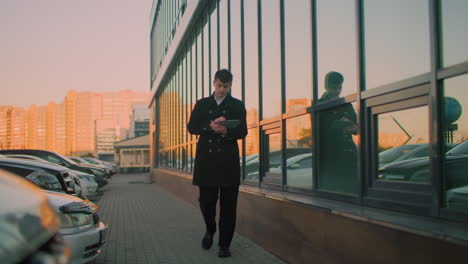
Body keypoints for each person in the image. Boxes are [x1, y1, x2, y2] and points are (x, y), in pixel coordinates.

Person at [187, 69, 248, 258]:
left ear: (230, 85)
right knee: (206, 203)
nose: (222, 90)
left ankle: (224, 245)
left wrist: (226, 132)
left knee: (229, 207)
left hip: (228, 161)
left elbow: (243, 131)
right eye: (220, 85)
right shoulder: (202, 104)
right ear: (214, 83)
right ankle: (210, 229)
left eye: (226, 86)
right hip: (207, 161)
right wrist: (210, 127)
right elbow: (191, 128)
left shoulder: (237, 105)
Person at [318, 71, 358, 193]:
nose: (337, 91)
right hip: (330, 155)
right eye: (333, 88)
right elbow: (319, 131)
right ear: (326, 87)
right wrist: (336, 125)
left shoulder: (346, 104)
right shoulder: (319, 105)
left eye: (339, 88)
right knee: (332, 190)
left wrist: (353, 127)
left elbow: (356, 127)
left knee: (351, 189)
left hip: (348, 153)